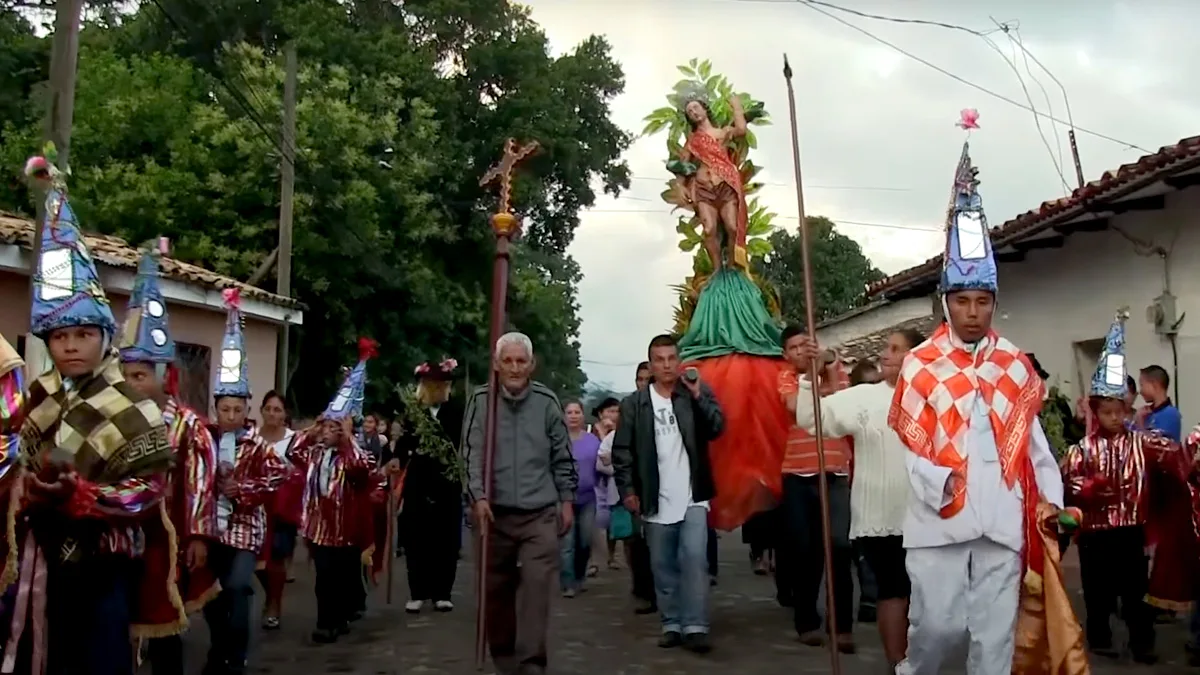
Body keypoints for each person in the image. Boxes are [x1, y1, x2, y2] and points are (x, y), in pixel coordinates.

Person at [888, 134, 1084, 675]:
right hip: (939, 522)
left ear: (993, 302)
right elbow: (914, 447)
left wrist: (1049, 501)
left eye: (982, 301)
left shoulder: (1016, 364)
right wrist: (941, 483)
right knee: (939, 631)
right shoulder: (922, 363)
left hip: (1002, 521)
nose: (973, 312)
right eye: (962, 301)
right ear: (947, 302)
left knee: (993, 641)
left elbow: (1034, 444)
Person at [3, 160, 182, 675]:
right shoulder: (39, 397)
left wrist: (86, 498)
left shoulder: (133, 404)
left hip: (105, 563)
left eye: (82, 335)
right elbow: (17, 463)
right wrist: (30, 491)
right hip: (43, 563)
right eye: (60, 337)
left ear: (104, 338)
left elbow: (148, 489)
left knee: (99, 659)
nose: (71, 346)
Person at [793, 327, 926, 669]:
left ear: (915, 357)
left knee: (925, 599)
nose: (885, 354)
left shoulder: (934, 397)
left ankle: (922, 660)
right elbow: (812, 419)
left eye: (895, 349)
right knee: (893, 591)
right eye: (885, 347)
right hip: (879, 518)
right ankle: (899, 665)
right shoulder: (865, 397)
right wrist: (810, 377)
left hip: (926, 516)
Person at [118, 245, 221, 675]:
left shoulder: (186, 426)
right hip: (119, 539)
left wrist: (197, 535)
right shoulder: (111, 420)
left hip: (168, 537)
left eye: (139, 376)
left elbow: (200, 481)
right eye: (124, 375)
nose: (129, 384)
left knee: (166, 625)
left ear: (163, 377)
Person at [1061, 311, 1180, 664]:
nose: (1115, 418)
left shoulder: (1141, 442)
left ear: (1128, 409)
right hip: (1095, 533)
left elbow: (1172, 455)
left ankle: (1143, 642)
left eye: (1121, 411)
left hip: (1131, 531)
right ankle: (1099, 638)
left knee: (1135, 592)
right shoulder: (1080, 449)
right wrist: (1087, 489)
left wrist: (1186, 448)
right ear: (1095, 412)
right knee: (1098, 592)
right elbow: (1069, 484)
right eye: (1107, 412)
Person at [463, 332, 578, 675]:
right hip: (493, 514)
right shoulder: (481, 401)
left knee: (536, 588)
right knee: (494, 590)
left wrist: (567, 500)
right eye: (508, 361)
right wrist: (478, 497)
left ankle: (532, 662)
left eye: (521, 361)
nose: (514, 368)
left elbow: (562, 456)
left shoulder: (546, 402)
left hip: (538, 513)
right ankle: (504, 655)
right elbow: (470, 454)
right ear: (497, 365)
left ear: (532, 365)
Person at [612, 334, 724, 654]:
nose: (666, 365)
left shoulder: (692, 395)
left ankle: (696, 626)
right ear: (650, 365)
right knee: (662, 564)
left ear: (679, 360)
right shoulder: (635, 404)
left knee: (694, 558)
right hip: (654, 495)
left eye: (671, 358)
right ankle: (672, 622)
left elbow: (717, 427)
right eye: (659, 360)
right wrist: (628, 490)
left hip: (693, 494)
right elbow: (623, 452)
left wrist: (699, 394)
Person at [203, 289, 289, 675]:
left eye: (239, 409)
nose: (233, 415)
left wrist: (246, 490)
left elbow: (281, 474)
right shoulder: (202, 440)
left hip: (244, 530)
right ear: (216, 408)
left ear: (246, 409)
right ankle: (219, 651)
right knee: (211, 598)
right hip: (209, 532)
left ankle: (234, 660)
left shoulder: (256, 444)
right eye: (226, 409)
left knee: (237, 587)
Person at [288, 339, 396, 642]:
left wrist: (347, 437)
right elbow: (293, 452)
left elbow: (361, 471)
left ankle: (338, 618)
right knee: (323, 577)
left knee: (339, 577)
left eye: (335, 428)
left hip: (345, 528)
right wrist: (314, 428)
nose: (329, 433)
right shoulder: (316, 452)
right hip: (318, 527)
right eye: (328, 428)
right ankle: (326, 622)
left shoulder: (354, 452)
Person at [776, 323, 856, 651]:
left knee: (840, 547)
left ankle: (842, 627)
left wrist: (827, 365)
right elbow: (798, 408)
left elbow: (841, 405)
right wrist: (810, 376)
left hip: (835, 473)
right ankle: (807, 621)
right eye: (794, 349)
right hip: (797, 474)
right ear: (786, 354)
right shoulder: (785, 377)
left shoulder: (835, 369)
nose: (800, 353)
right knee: (805, 551)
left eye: (804, 346)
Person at [397, 357, 465, 614]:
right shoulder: (413, 411)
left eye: (441, 384)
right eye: (431, 384)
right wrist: (396, 458)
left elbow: (462, 441)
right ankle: (417, 592)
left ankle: (442, 592)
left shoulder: (457, 410)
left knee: (446, 538)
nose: (436, 388)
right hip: (418, 481)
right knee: (416, 537)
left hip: (448, 481)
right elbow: (403, 443)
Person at [255, 390, 299, 630]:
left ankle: (274, 604)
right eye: (268, 408)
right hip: (255, 507)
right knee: (257, 563)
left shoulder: (293, 440)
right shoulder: (252, 437)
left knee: (276, 558)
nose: (272, 414)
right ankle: (271, 595)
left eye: (277, 410)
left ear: (285, 414)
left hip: (283, 509)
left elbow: (302, 469)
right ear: (262, 410)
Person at [560, 400, 602, 597]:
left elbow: (602, 465)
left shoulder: (592, 441)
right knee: (566, 543)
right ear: (563, 416)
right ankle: (567, 583)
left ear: (583, 416)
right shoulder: (557, 441)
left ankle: (579, 577)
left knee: (584, 541)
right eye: (569, 412)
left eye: (577, 412)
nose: (573, 416)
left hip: (588, 498)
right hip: (563, 498)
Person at [626, 361, 657, 614]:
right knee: (638, 540)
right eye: (640, 378)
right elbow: (622, 451)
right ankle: (643, 592)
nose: (643, 382)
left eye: (648, 378)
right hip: (638, 483)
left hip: (664, 482)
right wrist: (627, 488)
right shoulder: (630, 407)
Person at [1137, 365, 1181, 442]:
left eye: (1142, 385)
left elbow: (1156, 446)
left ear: (1154, 385)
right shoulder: (1147, 413)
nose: (1140, 391)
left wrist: (1140, 422)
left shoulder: (1170, 414)